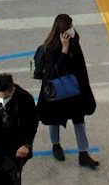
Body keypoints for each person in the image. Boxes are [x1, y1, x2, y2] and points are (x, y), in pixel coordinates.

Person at [34, 15, 99, 169]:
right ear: (62, 31)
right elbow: (54, 72)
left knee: (79, 120)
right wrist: (64, 50)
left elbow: (79, 67)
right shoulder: (48, 49)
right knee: (54, 120)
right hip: (57, 93)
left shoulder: (74, 43)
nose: (72, 28)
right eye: (69, 26)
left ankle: (83, 152)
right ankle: (56, 145)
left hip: (74, 91)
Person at [0, 73, 38, 182]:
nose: (2, 100)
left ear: (12, 90)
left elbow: (32, 123)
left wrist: (26, 145)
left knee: (12, 176)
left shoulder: (25, 98)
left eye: (5, 97)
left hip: (16, 145)